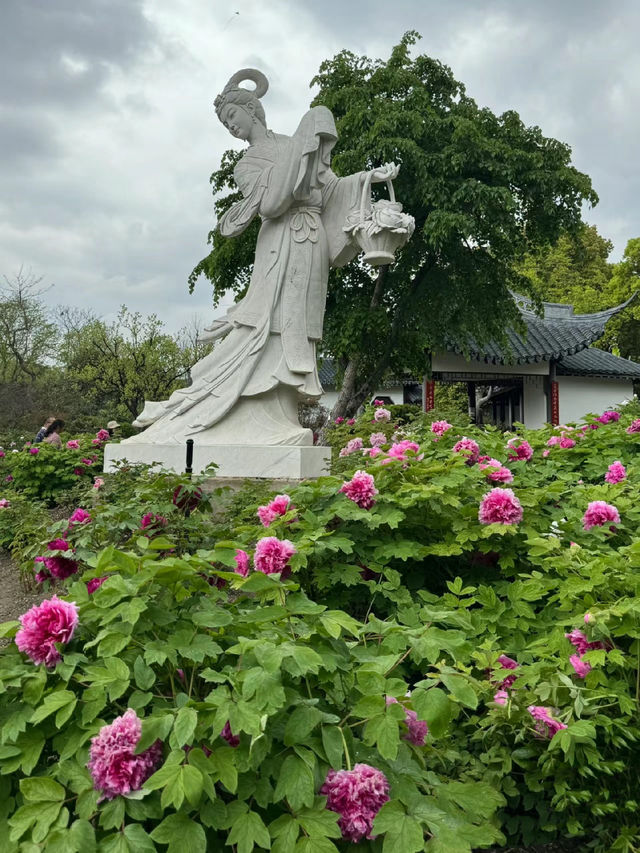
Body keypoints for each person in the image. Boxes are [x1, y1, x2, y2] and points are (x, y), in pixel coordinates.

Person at [128, 68, 397, 446]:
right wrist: (303, 145)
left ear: (252, 110)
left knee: (302, 323)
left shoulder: (293, 144)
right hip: (281, 241)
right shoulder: (247, 164)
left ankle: (281, 412)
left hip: (311, 239)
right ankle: (254, 413)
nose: (231, 127)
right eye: (225, 124)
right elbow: (271, 203)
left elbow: (332, 189)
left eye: (232, 118)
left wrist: (369, 178)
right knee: (270, 322)